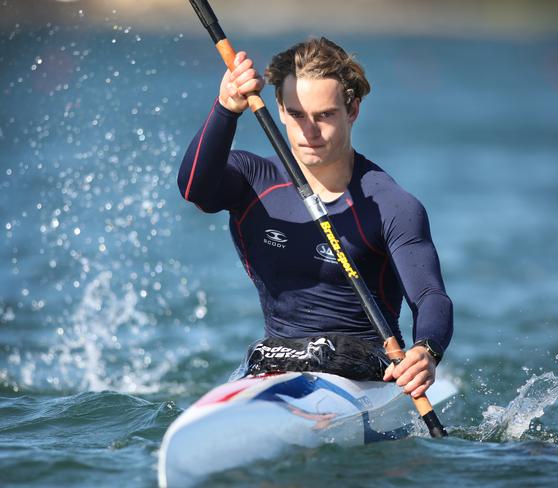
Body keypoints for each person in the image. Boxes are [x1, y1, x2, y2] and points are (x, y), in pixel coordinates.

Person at [178, 37, 452, 398]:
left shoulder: (390, 205)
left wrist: (425, 351)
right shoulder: (252, 181)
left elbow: (430, 294)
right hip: (275, 362)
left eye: (325, 115)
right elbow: (194, 189)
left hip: (364, 372)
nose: (310, 132)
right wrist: (227, 107)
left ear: (352, 110)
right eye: (296, 115)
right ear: (278, 108)